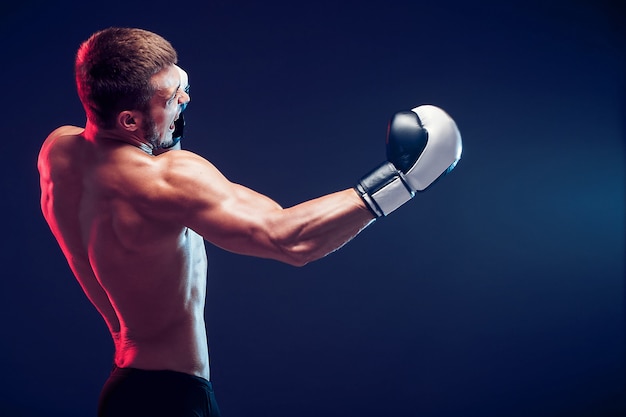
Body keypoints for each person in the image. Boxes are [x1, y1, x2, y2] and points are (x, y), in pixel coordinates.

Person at [37, 27, 462, 417]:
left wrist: (162, 120)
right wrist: (404, 180)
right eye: (171, 98)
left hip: (123, 393)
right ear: (129, 120)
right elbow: (288, 240)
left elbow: (141, 161)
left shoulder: (57, 152)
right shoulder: (168, 180)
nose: (185, 99)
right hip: (175, 401)